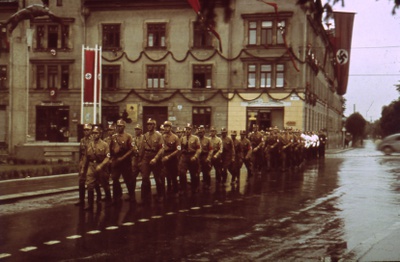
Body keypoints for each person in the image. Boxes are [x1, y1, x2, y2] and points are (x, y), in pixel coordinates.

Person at [81, 126, 110, 211]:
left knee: (105, 184)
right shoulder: (89, 144)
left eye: (96, 133)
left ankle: (109, 200)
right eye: (93, 133)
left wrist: (101, 165)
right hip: (91, 165)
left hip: (101, 166)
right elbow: (86, 157)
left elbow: (107, 157)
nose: (94, 135)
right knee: (90, 184)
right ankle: (90, 205)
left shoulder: (105, 145)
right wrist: (83, 168)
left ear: (100, 134)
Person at [109, 119, 136, 204]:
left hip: (125, 161)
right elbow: (110, 149)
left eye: (121, 126)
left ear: (124, 127)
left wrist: (123, 158)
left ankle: (132, 195)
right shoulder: (113, 137)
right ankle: (116, 196)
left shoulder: (128, 136)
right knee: (115, 179)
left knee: (128, 179)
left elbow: (132, 149)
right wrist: (112, 158)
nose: (119, 128)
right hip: (116, 160)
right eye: (118, 126)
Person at [138, 118, 163, 204]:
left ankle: (160, 195)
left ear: (154, 125)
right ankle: (144, 197)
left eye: (151, 124)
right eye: (148, 124)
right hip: (146, 157)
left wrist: (156, 158)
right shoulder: (144, 136)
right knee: (144, 177)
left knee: (157, 178)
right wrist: (140, 161)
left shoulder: (159, 136)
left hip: (155, 157)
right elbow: (141, 149)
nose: (149, 126)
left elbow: (161, 149)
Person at [178, 123, 201, 194]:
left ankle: (195, 187)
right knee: (182, 173)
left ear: (191, 130)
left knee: (194, 173)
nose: (187, 131)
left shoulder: (195, 138)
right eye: (186, 129)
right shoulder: (182, 138)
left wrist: (195, 156)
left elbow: (199, 149)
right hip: (184, 157)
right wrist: (180, 153)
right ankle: (183, 188)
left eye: (189, 129)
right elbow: (179, 148)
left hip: (192, 156)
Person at [161, 121, 180, 197]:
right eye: (165, 127)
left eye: (168, 127)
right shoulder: (162, 137)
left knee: (173, 175)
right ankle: (168, 189)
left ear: (171, 128)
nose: (166, 128)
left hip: (172, 157)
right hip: (164, 155)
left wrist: (169, 156)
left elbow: (178, 149)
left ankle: (176, 191)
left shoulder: (175, 137)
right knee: (165, 175)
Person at [74, 123, 92, 207]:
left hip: (91, 163)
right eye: (85, 130)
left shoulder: (93, 140)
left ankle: (91, 202)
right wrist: (79, 163)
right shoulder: (82, 140)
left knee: (90, 183)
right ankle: (81, 199)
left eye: (88, 130)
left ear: (91, 131)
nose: (86, 131)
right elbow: (80, 152)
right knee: (81, 181)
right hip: (83, 162)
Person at [197, 125, 213, 190]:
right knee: (197, 172)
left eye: (201, 132)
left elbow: (211, 150)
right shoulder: (196, 139)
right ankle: (197, 185)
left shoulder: (208, 140)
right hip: (198, 157)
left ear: (204, 133)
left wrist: (208, 158)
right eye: (199, 132)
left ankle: (208, 184)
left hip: (205, 156)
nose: (200, 133)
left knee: (206, 172)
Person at [132, 124, 143, 201]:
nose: (136, 131)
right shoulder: (133, 139)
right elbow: (132, 146)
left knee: (145, 178)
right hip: (135, 160)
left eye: (138, 129)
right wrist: (134, 150)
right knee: (132, 178)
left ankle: (144, 194)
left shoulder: (144, 138)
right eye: (135, 129)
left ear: (141, 130)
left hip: (142, 159)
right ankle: (132, 194)